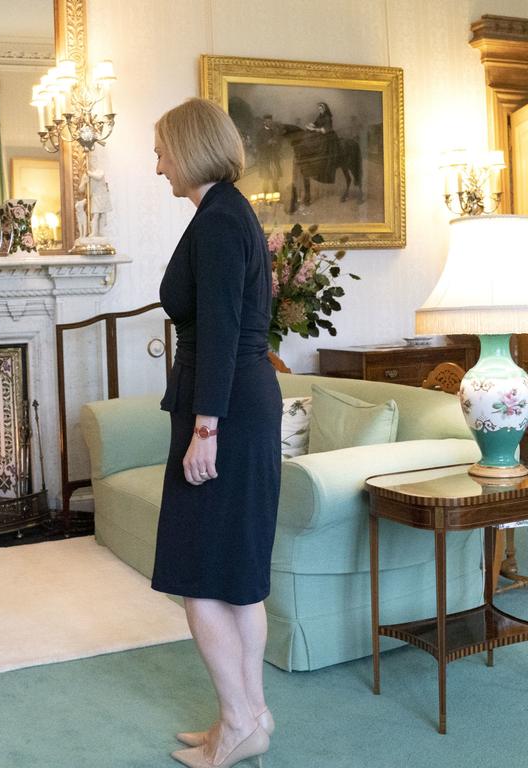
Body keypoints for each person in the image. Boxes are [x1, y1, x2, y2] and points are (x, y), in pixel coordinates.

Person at [152, 98, 282, 768]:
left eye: (162, 150)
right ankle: (248, 716)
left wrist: (206, 428)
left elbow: (225, 329)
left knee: (201, 576)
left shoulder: (218, 218)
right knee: (234, 576)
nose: (158, 165)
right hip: (235, 404)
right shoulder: (228, 211)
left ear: (190, 147)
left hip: (224, 411)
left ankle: (237, 722)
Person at [303, 101, 340, 185]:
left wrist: (315, 129)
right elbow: (316, 123)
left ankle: (322, 162)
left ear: (324, 109)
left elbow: (326, 129)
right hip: (320, 133)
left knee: (323, 146)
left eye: (321, 108)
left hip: (328, 135)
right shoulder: (320, 116)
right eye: (318, 109)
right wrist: (310, 125)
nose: (319, 110)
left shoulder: (327, 117)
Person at [254, 115, 282, 195]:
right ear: (264, 122)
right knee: (265, 179)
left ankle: (276, 196)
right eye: (268, 121)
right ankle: (266, 197)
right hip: (265, 159)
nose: (269, 123)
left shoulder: (274, 132)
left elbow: (279, 144)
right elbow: (258, 146)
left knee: (275, 179)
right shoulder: (260, 133)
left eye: (270, 121)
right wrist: (267, 143)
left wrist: (276, 144)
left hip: (273, 159)